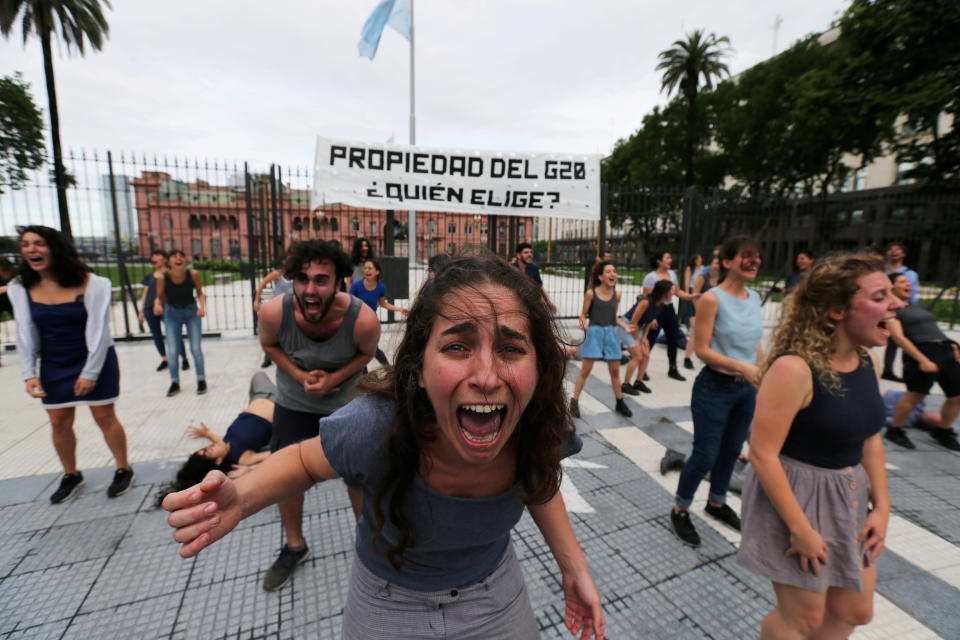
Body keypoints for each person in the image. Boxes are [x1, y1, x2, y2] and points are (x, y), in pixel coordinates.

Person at [163, 252, 604, 640]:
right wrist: (242, 496)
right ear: (419, 368)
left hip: (496, 591)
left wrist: (574, 567)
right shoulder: (374, 426)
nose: (487, 377)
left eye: (511, 348)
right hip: (388, 602)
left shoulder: (538, 421)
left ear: (539, 364)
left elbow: (539, 480)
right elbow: (304, 460)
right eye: (456, 346)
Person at [737, 252, 896, 639]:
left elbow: (870, 437)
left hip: (851, 495)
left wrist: (884, 506)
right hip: (798, 498)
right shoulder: (794, 369)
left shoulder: (866, 361)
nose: (896, 304)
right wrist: (800, 528)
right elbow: (762, 453)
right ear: (837, 310)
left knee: (854, 610)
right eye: (880, 296)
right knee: (801, 620)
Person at [256, 239, 379, 591]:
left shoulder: (363, 320)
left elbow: (366, 355)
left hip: (347, 401)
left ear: (339, 281)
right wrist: (298, 376)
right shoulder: (274, 313)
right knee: (287, 477)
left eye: (321, 280)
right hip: (295, 401)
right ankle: (295, 546)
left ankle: (368, 545)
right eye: (303, 279)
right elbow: (269, 345)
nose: (310, 289)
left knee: (360, 475)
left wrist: (335, 379)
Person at [8, 225, 134, 503]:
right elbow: (24, 332)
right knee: (58, 423)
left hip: (95, 358)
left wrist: (90, 373)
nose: (31, 249)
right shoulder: (20, 287)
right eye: (26, 244)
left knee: (104, 417)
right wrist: (29, 373)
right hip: (54, 361)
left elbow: (100, 332)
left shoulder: (94, 283)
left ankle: (124, 467)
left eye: (39, 243)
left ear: (55, 248)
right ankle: (71, 474)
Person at [670, 236, 763, 547]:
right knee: (705, 453)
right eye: (746, 256)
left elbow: (756, 343)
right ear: (727, 261)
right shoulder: (712, 298)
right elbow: (702, 350)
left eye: (756, 257)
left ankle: (717, 502)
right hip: (715, 387)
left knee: (731, 449)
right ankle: (680, 508)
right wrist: (744, 368)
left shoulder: (755, 298)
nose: (754, 261)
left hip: (745, 391)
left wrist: (757, 373)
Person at [155, 371, 277, 507]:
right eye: (210, 451)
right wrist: (252, 469)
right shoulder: (242, 458)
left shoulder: (224, 443)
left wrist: (207, 434)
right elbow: (276, 455)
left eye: (206, 447)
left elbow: (219, 439)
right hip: (278, 402)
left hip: (258, 396)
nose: (212, 445)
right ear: (218, 461)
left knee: (258, 375)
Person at [882, 272, 960, 451]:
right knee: (915, 395)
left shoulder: (917, 306)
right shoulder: (892, 309)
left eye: (908, 281)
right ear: (891, 286)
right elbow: (899, 338)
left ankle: (943, 431)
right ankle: (895, 429)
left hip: (945, 350)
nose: (908, 284)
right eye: (902, 282)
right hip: (922, 352)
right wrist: (922, 360)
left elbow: (933, 329)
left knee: (956, 396)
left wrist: (954, 346)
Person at [570, 260, 633, 419]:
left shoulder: (617, 294)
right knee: (586, 370)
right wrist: (583, 324)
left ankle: (619, 402)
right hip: (595, 332)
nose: (613, 274)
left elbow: (614, 317)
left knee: (615, 371)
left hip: (611, 333)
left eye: (614, 271)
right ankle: (574, 401)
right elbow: (583, 315)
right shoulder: (591, 293)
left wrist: (625, 327)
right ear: (600, 277)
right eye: (608, 271)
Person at [153, 249, 207, 396]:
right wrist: (157, 305)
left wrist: (201, 308)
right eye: (174, 256)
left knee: (196, 348)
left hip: (191, 313)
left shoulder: (193, 274)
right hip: (172, 315)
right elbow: (159, 297)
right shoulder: (163, 278)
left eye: (181, 256)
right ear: (168, 261)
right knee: (172, 351)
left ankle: (201, 380)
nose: (178, 258)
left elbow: (201, 294)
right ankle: (174, 382)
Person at [642, 251, 699, 381]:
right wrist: (651, 316)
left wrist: (691, 297)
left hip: (669, 310)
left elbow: (677, 292)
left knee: (673, 339)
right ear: (659, 261)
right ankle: (642, 369)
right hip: (656, 310)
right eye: (667, 258)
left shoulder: (672, 274)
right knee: (650, 340)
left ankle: (672, 369)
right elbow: (646, 298)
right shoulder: (651, 277)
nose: (670, 260)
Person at [349, 258, 409, 365]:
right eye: (365, 268)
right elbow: (348, 303)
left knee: (373, 349)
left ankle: (388, 369)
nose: (367, 270)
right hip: (356, 322)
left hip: (371, 323)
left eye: (370, 268)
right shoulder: (356, 286)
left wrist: (399, 309)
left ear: (377, 272)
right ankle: (366, 374)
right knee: (359, 350)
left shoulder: (381, 287)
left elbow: (383, 303)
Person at [137, 249, 187, 372]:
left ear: (164, 259)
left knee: (174, 334)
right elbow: (145, 293)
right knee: (156, 335)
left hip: (168, 308)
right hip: (149, 309)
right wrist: (141, 310)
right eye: (153, 256)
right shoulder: (149, 277)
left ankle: (184, 358)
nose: (154, 258)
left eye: (157, 255)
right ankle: (165, 359)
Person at [621, 280, 673, 394]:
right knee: (637, 356)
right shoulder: (646, 302)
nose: (673, 293)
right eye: (671, 291)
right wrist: (637, 341)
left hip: (637, 328)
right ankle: (625, 384)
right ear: (664, 292)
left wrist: (644, 337)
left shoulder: (659, 303)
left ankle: (638, 382)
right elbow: (633, 322)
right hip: (627, 326)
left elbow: (649, 321)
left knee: (646, 355)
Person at [882, 241, 919, 382]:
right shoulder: (882, 271)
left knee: (897, 341)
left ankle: (890, 370)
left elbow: (912, 294)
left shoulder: (911, 274)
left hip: (903, 310)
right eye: (890, 249)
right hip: (883, 308)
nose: (894, 252)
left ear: (904, 254)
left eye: (898, 249)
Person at [253, 251, 294, 368]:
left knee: (289, 332)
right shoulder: (277, 274)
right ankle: (268, 357)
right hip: (278, 307)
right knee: (274, 332)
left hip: (291, 306)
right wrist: (257, 300)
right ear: (283, 261)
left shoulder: (295, 273)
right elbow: (262, 284)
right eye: (288, 259)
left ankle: (289, 355)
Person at [513, 242, 557, 313]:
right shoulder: (512, 269)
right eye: (526, 252)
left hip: (531, 304)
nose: (530, 254)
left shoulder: (534, 268)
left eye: (531, 252)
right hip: (514, 304)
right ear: (518, 255)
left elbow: (540, 287)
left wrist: (549, 303)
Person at [681, 254, 703, 369]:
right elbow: (687, 280)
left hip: (700, 293)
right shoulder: (690, 268)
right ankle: (687, 357)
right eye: (698, 259)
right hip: (692, 291)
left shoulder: (703, 269)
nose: (700, 260)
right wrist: (687, 294)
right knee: (695, 328)